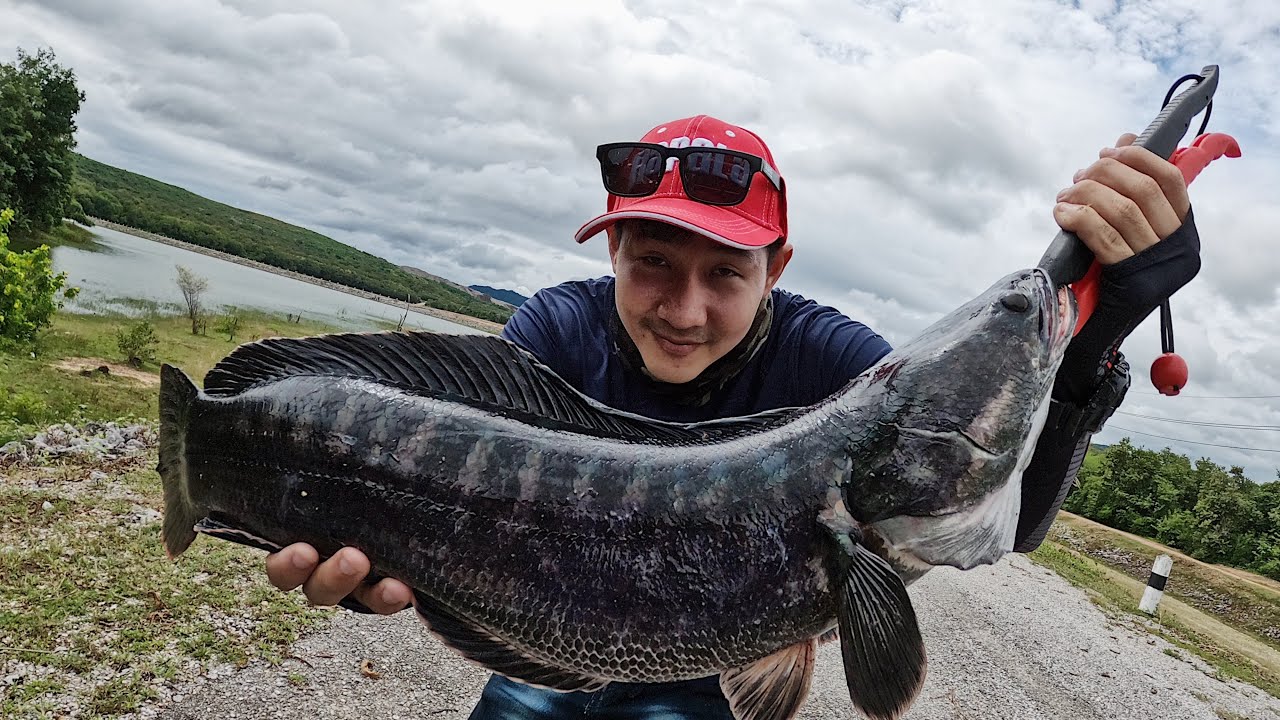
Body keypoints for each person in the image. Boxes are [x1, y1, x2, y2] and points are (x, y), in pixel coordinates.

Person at [263, 114, 1201, 718]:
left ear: (777, 270)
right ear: (613, 252)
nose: (684, 309)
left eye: (725, 274)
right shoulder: (550, 330)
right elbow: (440, 472)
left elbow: (1005, 517)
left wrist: (1090, 343)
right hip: (537, 657)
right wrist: (368, 531)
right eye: (651, 264)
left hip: (707, 677)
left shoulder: (840, 368)